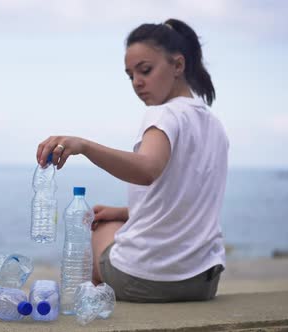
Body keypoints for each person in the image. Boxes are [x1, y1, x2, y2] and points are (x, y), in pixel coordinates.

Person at [36, 18, 229, 303]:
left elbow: (148, 169)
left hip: (146, 281)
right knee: (112, 221)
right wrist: (124, 212)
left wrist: (85, 146)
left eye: (145, 70)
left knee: (99, 228)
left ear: (178, 65)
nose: (137, 82)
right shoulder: (214, 125)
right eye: (130, 75)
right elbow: (185, 200)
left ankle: (91, 305)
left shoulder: (163, 114)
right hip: (202, 283)